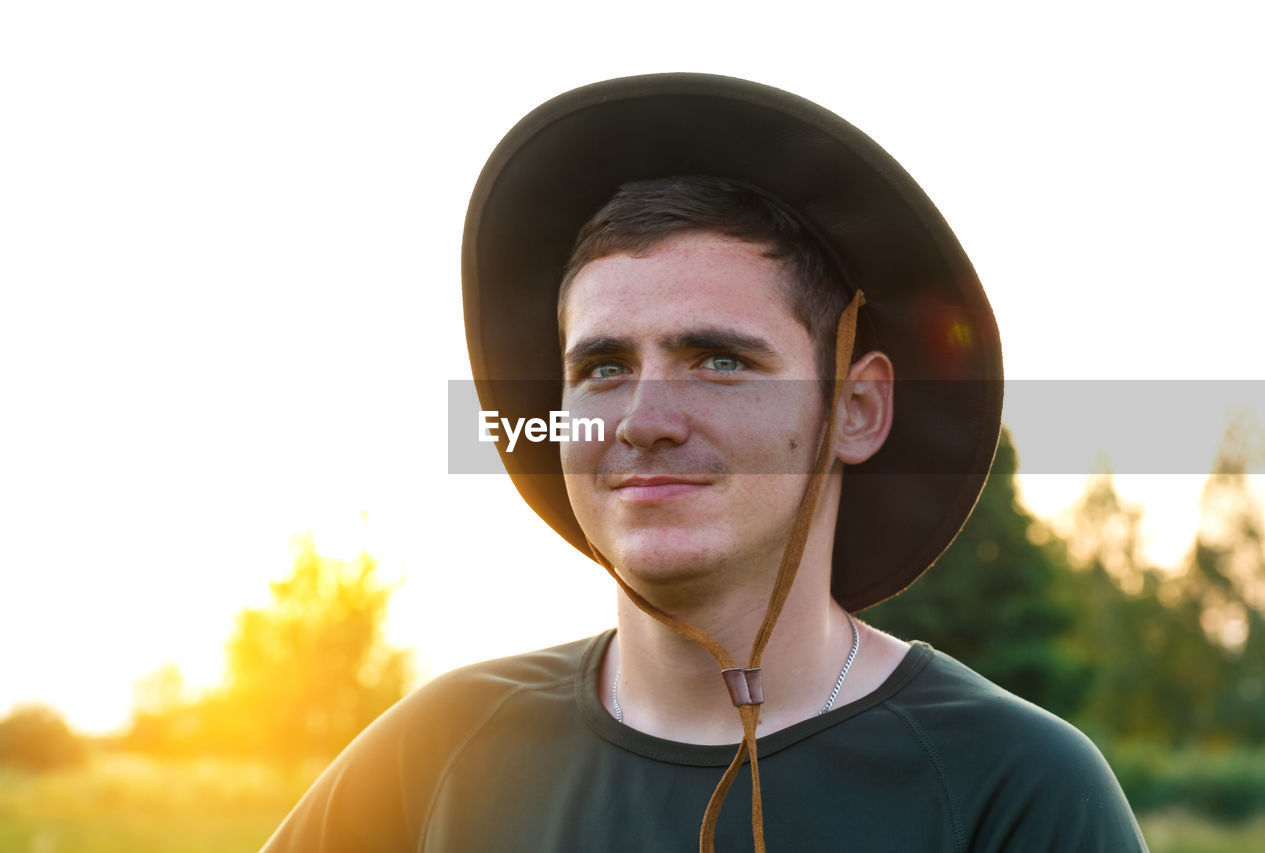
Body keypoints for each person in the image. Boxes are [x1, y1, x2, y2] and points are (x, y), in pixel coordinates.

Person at [262, 74, 1148, 852]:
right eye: (603, 367)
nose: (643, 420)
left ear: (857, 407)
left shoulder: (1012, 788)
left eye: (720, 360)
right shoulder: (440, 752)